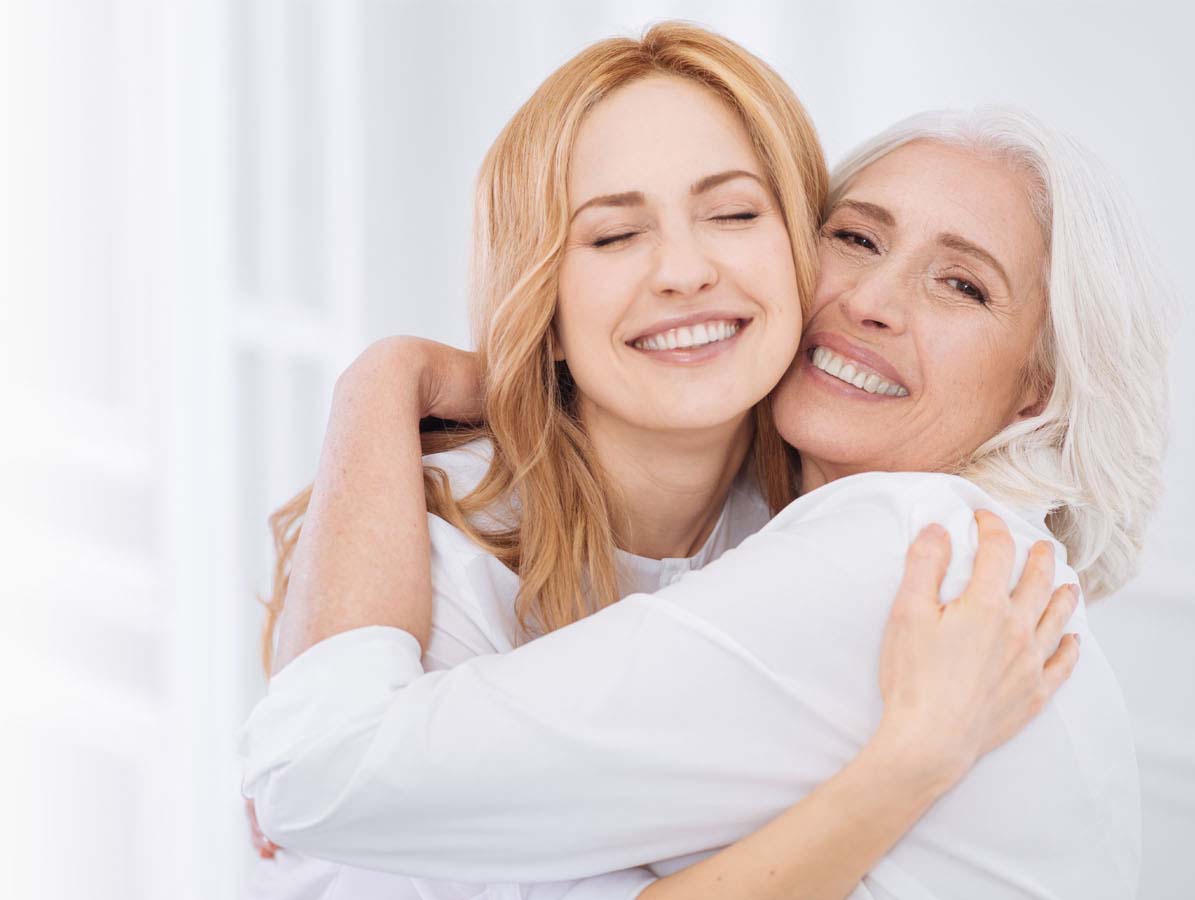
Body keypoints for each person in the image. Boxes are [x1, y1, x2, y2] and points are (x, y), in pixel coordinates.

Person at [239, 25, 1131, 900]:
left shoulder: (851, 539)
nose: (683, 271)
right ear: (545, 302)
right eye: (613, 235)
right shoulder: (441, 564)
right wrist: (385, 377)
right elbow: (315, 773)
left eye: (734, 214)